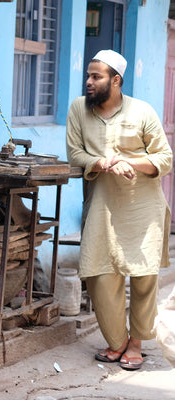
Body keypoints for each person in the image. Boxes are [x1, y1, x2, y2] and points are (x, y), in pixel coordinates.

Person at [66, 49, 173, 370]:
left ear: (116, 80)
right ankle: (116, 341)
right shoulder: (78, 110)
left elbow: (164, 159)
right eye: (87, 75)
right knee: (99, 274)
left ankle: (137, 343)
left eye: (96, 76)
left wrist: (130, 162)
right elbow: (74, 154)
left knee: (142, 278)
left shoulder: (142, 111)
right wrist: (101, 162)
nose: (88, 81)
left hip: (144, 206)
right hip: (101, 205)